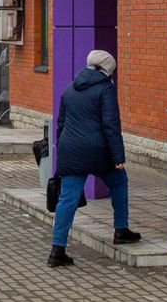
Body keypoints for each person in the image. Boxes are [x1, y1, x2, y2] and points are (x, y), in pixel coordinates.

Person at [48, 49, 140, 267]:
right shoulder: (106, 89)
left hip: (71, 150)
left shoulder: (70, 88)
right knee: (119, 181)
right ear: (108, 69)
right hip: (97, 150)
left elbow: (61, 124)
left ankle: (57, 250)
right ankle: (121, 229)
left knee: (68, 198)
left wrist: (62, 151)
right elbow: (111, 125)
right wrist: (118, 157)